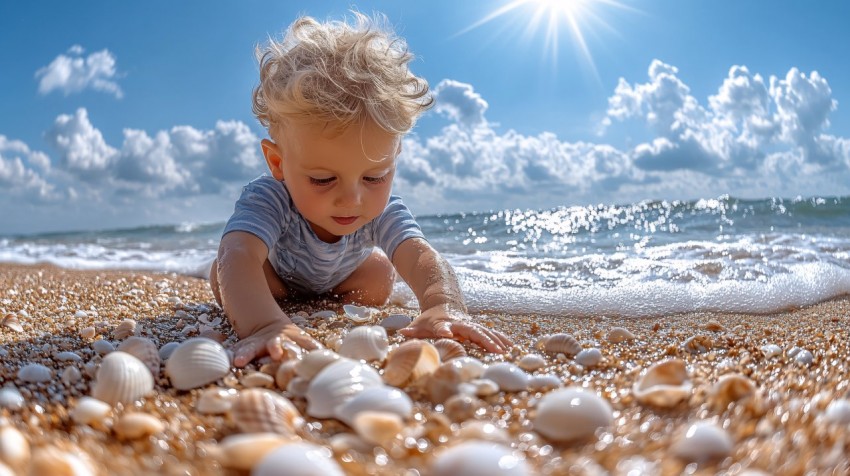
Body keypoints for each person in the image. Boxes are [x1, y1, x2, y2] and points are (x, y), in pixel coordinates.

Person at [209, 12, 512, 367]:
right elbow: (239, 251)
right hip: (277, 281)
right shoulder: (268, 197)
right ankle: (274, 309)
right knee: (225, 272)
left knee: (381, 273)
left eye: (375, 177)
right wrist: (264, 324)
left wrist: (443, 305)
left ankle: (323, 304)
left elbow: (419, 255)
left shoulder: (383, 210)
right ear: (278, 164)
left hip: (343, 281)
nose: (352, 199)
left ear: (394, 157)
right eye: (322, 179)